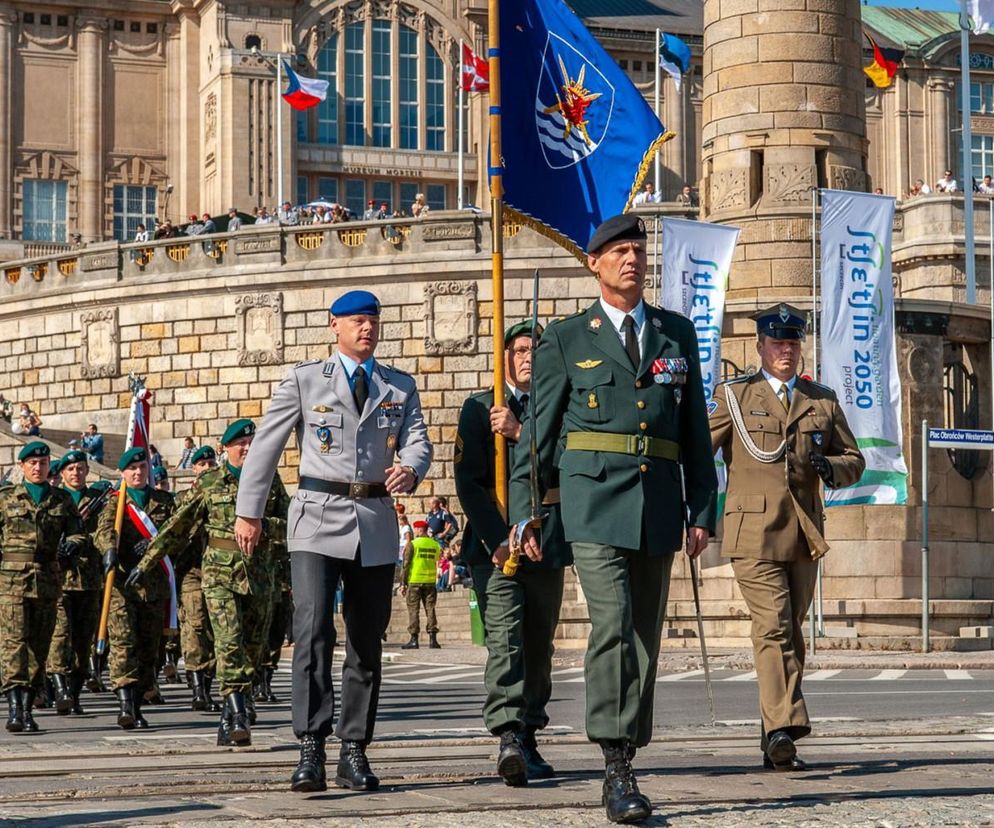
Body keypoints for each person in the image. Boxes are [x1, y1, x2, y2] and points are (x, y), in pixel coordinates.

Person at [509, 213, 717, 824]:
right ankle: (615, 763)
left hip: (657, 506)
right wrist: (526, 513)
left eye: (638, 249)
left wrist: (701, 507)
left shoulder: (675, 333)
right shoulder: (568, 338)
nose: (632, 259)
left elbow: (695, 434)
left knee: (646, 637)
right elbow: (538, 439)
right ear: (594, 263)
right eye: (619, 251)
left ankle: (627, 748)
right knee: (614, 623)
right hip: (593, 504)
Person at [233, 289, 433, 793]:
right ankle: (310, 746)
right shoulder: (304, 380)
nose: (367, 329)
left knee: (366, 642)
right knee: (313, 633)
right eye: (357, 321)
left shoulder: (398, 386)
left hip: (374, 522)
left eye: (373, 321)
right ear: (334, 326)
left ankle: (354, 748)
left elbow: (419, 439)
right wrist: (249, 512)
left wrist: (410, 467)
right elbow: (266, 447)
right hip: (317, 520)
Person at [708, 303, 865, 772]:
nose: (786, 351)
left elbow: (854, 460)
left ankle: (770, 730)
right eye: (777, 343)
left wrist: (829, 468)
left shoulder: (821, 400)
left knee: (791, 633)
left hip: (803, 531)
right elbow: (700, 451)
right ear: (760, 347)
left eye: (792, 343)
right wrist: (693, 513)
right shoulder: (734, 396)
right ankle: (784, 728)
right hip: (751, 530)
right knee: (774, 626)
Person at [455, 318, 571, 785]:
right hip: (495, 547)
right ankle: (506, 733)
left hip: (545, 544)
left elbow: (568, 465)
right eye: (519, 349)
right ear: (504, 357)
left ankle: (528, 733)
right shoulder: (481, 408)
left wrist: (524, 433)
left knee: (540, 645)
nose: (528, 357)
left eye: (535, 350)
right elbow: (469, 483)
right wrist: (497, 537)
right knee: (505, 641)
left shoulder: (556, 413)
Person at [133, 421, 289, 747]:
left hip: (260, 578)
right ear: (225, 448)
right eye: (240, 443)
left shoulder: (270, 481)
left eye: (252, 442)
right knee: (229, 644)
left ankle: (230, 716)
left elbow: (290, 526)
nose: (247, 448)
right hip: (219, 577)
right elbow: (177, 527)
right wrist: (147, 563)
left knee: (252, 651)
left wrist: (262, 525)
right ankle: (240, 714)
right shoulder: (210, 482)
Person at [1, 443, 86, 733]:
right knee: (13, 644)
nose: (38, 468)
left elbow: (77, 533)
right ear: (22, 466)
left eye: (44, 462)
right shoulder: (6, 498)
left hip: (49, 580)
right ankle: (14, 709)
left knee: (40, 646)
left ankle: (28, 707)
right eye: (33, 463)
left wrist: (70, 546)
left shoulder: (61, 499)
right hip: (11, 582)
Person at [95, 446, 176, 730]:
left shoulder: (164, 501)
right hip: (122, 585)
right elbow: (104, 531)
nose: (138, 473)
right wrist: (108, 550)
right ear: (123, 473)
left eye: (143, 468)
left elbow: (176, 534)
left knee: (148, 647)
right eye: (132, 469)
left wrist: (154, 545)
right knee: (123, 645)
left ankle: (139, 701)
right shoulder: (115, 502)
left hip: (153, 586)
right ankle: (126, 706)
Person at [44, 449, 106, 716]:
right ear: (62, 474)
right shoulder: (55, 500)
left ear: (87, 471)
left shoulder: (100, 501)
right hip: (60, 579)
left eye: (80, 468)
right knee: (60, 636)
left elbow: (106, 532)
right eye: (71, 469)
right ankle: (61, 689)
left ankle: (76, 693)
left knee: (84, 642)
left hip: (90, 579)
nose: (76, 473)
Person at [400, 520, 442, 649]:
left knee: (413, 610)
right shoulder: (435, 544)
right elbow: (438, 561)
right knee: (430, 608)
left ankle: (414, 639)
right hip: (430, 581)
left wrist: (403, 583)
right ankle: (433, 639)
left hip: (414, 581)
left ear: (419, 530)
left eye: (416, 529)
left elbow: (406, 565)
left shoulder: (413, 544)